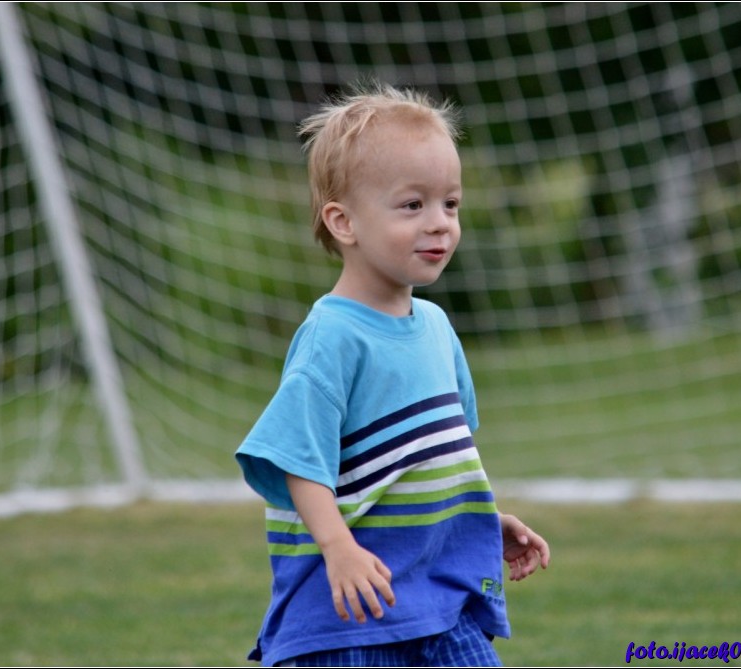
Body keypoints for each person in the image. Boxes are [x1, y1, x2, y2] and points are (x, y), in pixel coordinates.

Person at [235, 81, 550, 667]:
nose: (440, 223)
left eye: (449, 204)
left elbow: (435, 459)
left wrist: (478, 520)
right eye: (413, 205)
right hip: (350, 617)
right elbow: (296, 460)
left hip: (440, 605)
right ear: (344, 222)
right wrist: (338, 549)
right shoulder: (332, 337)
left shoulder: (435, 327)